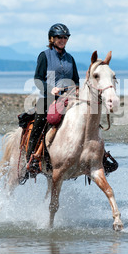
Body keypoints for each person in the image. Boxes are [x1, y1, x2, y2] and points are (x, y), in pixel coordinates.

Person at [25, 23, 80, 176]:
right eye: (59, 37)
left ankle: (94, 157)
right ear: (51, 38)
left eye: (65, 37)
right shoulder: (44, 55)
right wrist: (51, 90)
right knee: (40, 121)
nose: (62, 40)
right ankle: (31, 158)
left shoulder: (70, 58)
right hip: (47, 98)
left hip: (68, 98)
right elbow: (37, 79)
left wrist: (76, 89)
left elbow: (76, 79)